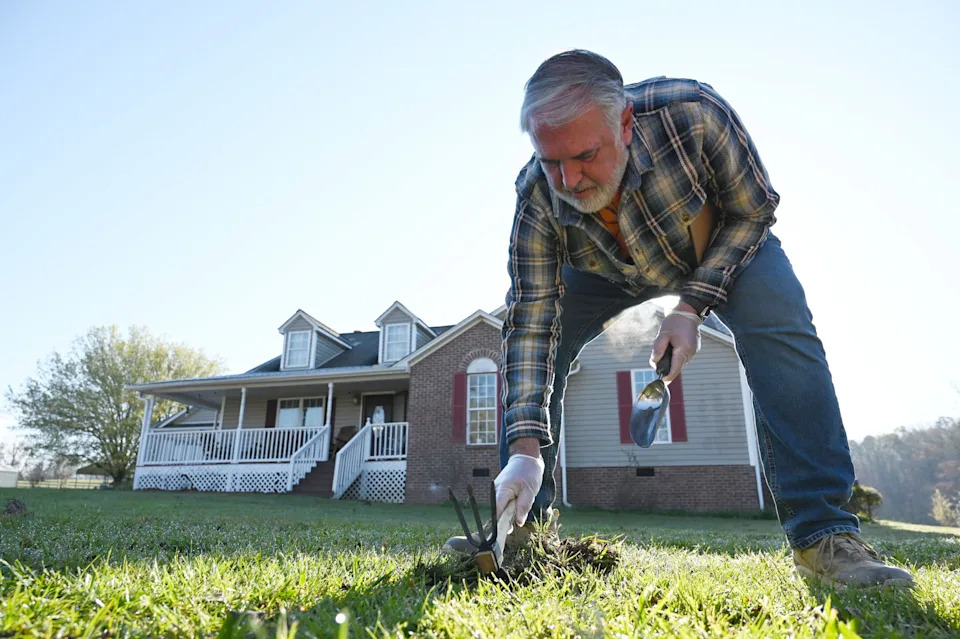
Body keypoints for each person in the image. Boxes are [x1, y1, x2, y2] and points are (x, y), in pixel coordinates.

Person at [447, 50, 913, 588]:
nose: (568, 179)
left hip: (716, 245)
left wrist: (690, 306)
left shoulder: (692, 115)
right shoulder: (537, 195)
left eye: (584, 155)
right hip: (604, 270)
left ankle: (824, 538)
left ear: (624, 123)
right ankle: (519, 528)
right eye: (550, 160)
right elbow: (531, 323)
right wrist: (525, 451)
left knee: (780, 324)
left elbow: (754, 209)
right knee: (539, 345)